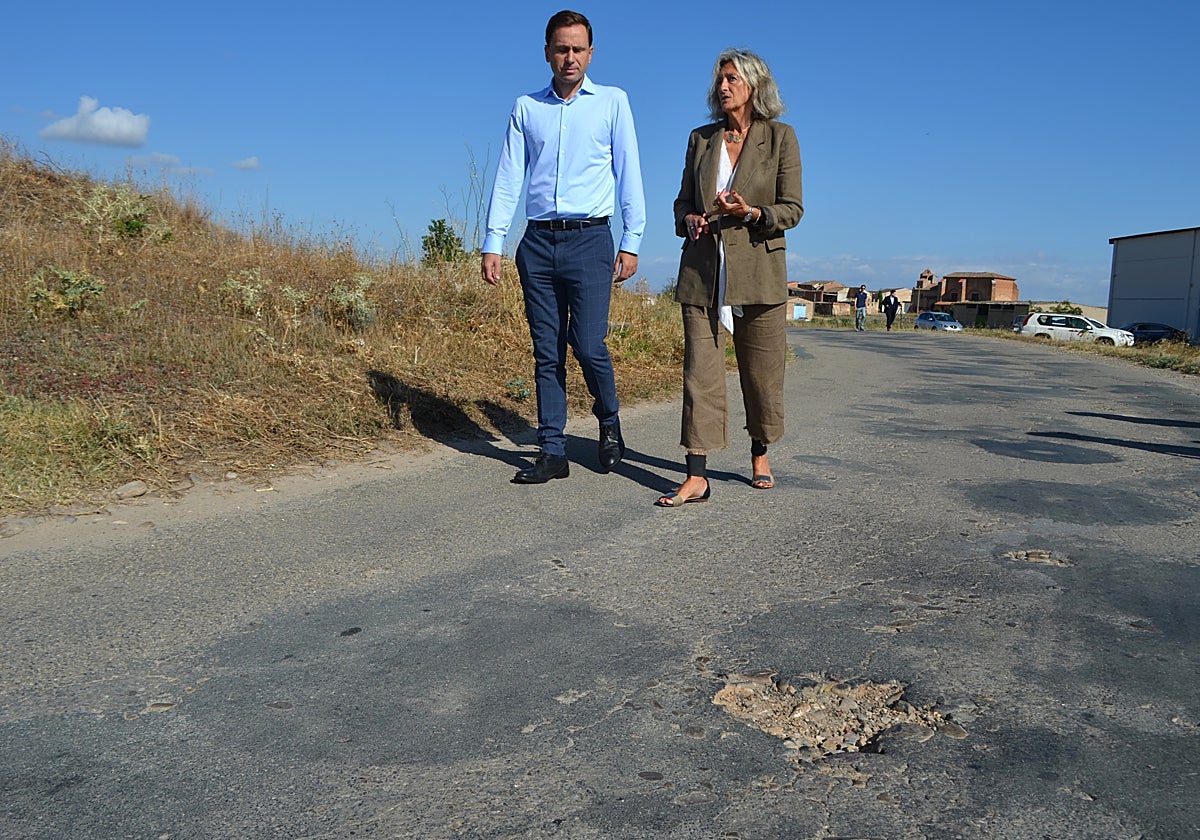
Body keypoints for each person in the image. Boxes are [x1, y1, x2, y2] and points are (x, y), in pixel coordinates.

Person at [481, 10, 646, 485]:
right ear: (548, 52)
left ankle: (608, 417)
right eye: (561, 48)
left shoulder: (612, 103)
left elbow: (628, 173)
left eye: (578, 49)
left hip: (592, 239)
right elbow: (509, 176)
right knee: (546, 349)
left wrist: (631, 239)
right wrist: (494, 240)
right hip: (537, 242)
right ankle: (552, 451)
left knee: (589, 343)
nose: (569, 57)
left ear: (590, 53)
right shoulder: (526, 108)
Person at [656, 47, 803, 507]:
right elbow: (681, 203)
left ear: (754, 88)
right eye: (720, 80)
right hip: (703, 271)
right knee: (699, 374)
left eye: (732, 80)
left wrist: (752, 211)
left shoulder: (781, 138)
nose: (723, 87)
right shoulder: (700, 139)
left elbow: (793, 209)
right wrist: (690, 220)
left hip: (759, 271)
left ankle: (759, 451)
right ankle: (696, 474)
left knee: (761, 375)